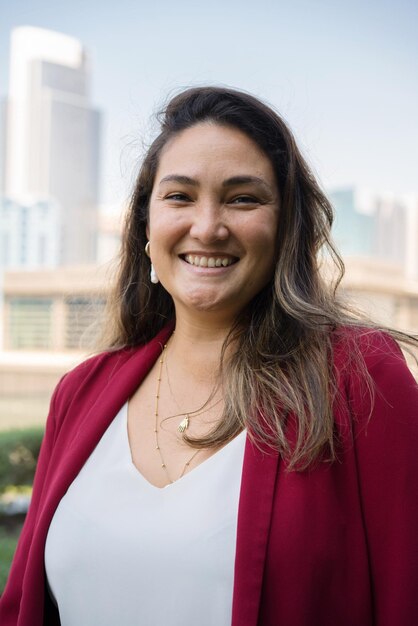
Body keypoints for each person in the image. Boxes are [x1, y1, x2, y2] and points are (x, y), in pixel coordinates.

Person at [1, 86, 417, 626]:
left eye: (243, 198)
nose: (208, 226)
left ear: (287, 226)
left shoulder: (360, 379)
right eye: (179, 197)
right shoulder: (80, 393)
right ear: (146, 227)